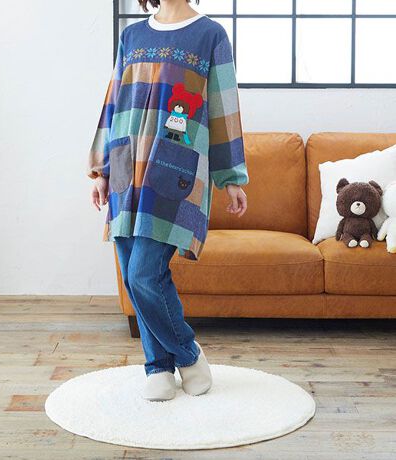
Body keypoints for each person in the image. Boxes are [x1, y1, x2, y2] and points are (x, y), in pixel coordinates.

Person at [87, 0, 249, 401]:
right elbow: (114, 102)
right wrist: (101, 169)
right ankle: (157, 366)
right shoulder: (132, 36)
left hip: (173, 168)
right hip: (126, 165)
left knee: (144, 273)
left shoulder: (210, 35)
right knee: (133, 275)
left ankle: (189, 355)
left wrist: (230, 177)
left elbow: (223, 106)